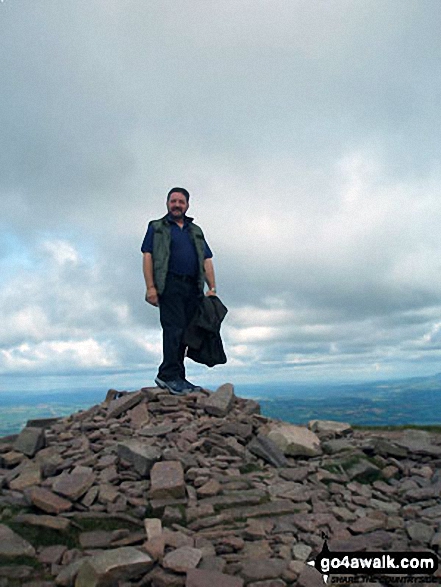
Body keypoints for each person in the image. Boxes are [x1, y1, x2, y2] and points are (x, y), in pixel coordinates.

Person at [141, 187, 217, 395]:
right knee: (173, 329)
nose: (177, 205)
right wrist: (150, 287)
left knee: (185, 333)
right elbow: (148, 256)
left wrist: (212, 287)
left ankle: (178, 377)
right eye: (173, 201)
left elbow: (206, 258)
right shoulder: (157, 227)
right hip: (169, 284)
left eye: (181, 202)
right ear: (167, 203)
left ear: (187, 205)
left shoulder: (196, 230)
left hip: (193, 287)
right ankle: (167, 375)